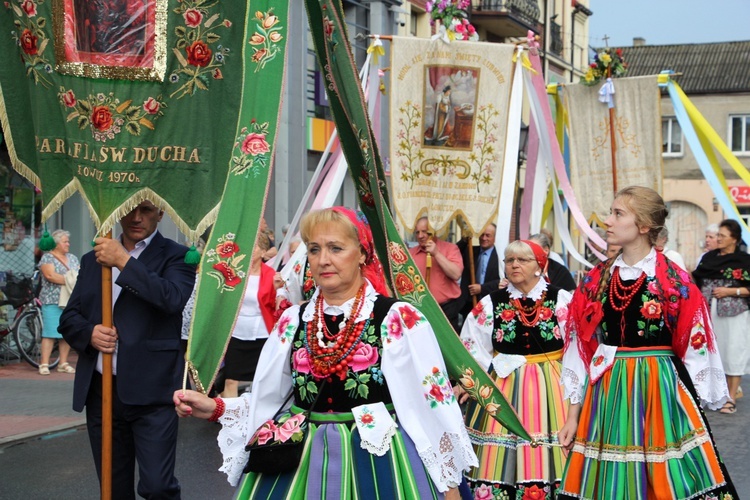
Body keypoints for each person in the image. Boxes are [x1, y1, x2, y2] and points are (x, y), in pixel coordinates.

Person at [174, 207, 477, 499]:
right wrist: (215, 407)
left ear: (362, 253)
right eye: (314, 249)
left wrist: (448, 484)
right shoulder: (294, 320)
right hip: (301, 461)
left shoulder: (397, 318)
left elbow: (429, 405)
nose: (323, 260)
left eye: (336, 248)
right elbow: (268, 398)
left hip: (378, 457)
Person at [557, 186, 736, 498]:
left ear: (643, 226)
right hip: (608, 393)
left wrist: (697, 408)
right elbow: (579, 347)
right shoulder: (596, 280)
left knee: (664, 477)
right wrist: (572, 415)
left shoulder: (673, 280)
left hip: (659, 391)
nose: (607, 221)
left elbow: (697, 347)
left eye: (617, 214)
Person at [59, 200, 196, 499]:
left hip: (154, 391)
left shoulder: (179, 256)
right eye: (130, 208)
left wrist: (123, 260)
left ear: (161, 213)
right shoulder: (91, 259)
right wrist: (90, 333)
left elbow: (171, 299)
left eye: (146, 210)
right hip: (102, 391)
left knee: (157, 487)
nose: (136, 217)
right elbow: (70, 317)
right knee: (112, 487)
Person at [457, 240, 572, 498]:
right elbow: (472, 346)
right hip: (504, 387)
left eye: (522, 260)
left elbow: (576, 346)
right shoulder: (492, 303)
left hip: (551, 389)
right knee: (499, 450)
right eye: (509, 261)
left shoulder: (560, 299)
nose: (515, 265)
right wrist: (468, 381)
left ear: (539, 267)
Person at [693, 218, 750, 414]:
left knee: (733, 353)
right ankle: (713, 393)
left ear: (734, 239)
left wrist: (731, 292)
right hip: (709, 312)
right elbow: (697, 279)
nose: (718, 239)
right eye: (717, 235)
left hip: (735, 313)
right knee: (711, 352)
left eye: (722, 236)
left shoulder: (744, 262)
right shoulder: (709, 258)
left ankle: (731, 397)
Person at [222, 232, 284, 398]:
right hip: (236, 333)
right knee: (230, 380)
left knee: (260, 380)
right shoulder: (233, 272)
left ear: (264, 252)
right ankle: (231, 419)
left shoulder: (272, 275)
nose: (249, 250)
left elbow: (278, 307)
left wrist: (279, 289)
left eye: (254, 246)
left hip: (262, 334)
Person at [410, 216, 465, 332]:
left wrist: (437, 254)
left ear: (433, 231)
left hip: (446, 310)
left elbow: (456, 274)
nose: (420, 236)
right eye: (417, 232)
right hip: (421, 310)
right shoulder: (411, 254)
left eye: (424, 231)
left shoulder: (450, 248)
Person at [37, 229, 80, 375]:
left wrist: (72, 280)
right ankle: (44, 363)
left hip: (69, 300)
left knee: (66, 332)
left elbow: (80, 273)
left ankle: (63, 362)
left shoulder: (73, 258)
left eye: (68, 241)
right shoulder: (47, 258)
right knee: (49, 332)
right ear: (56, 243)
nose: (68, 244)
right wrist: (71, 280)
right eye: (65, 241)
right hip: (52, 300)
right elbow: (50, 276)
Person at [458, 223, 502, 320]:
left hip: (490, 302)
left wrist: (482, 288)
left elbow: (503, 281)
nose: (484, 238)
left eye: (488, 235)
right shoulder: (470, 251)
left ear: (494, 237)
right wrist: (464, 240)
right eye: (482, 235)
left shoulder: (500, 256)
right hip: (469, 304)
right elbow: (455, 251)